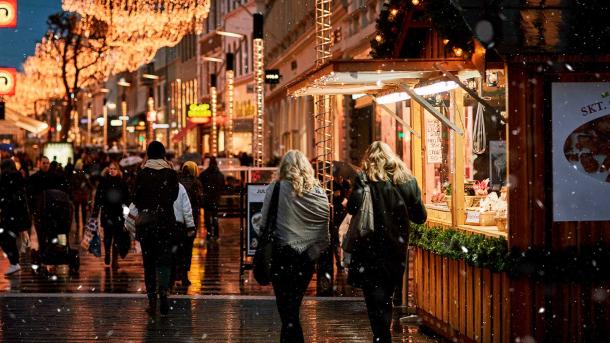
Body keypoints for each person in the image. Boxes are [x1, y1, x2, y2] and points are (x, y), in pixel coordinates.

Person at [346, 141, 427, 343]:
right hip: (395, 248)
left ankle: (380, 335)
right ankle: (383, 335)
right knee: (387, 296)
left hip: (368, 247)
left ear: (370, 159)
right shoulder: (406, 180)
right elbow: (420, 216)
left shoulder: (364, 179)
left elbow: (352, 208)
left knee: (373, 298)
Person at [260, 150, 330, 343]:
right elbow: (324, 229)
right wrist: (311, 252)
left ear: (283, 167)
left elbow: (264, 222)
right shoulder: (318, 192)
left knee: (286, 309)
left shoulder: (275, 188)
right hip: (306, 259)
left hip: (281, 255)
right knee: (293, 306)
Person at [134, 141, 179, 316]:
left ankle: (152, 302)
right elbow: (174, 196)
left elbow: (135, 198)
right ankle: (164, 293)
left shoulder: (142, 173)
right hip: (166, 223)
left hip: (147, 224)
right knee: (165, 260)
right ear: (163, 154)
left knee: (149, 263)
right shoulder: (170, 173)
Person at [92, 161, 130, 268]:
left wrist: (127, 210)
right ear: (108, 170)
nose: (112, 171)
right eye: (111, 169)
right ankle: (108, 253)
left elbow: (127, 198)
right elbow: (98, 197)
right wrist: (96, 210)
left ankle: (115, 259)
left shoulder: (122, 183)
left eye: (114, 169)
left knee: (117, 237)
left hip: (118, 213)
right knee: (108, 236)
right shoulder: (104, 182)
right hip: (107, 212)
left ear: (118, 171)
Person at [0, 159, 31, 276]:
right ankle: (14, 262)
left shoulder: (5, 178)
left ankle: (14, 263)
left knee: (5, 238)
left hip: (9, 214)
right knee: (10, 238)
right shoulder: (19, 178)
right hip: (18, 215)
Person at [177, 161, 203, 286]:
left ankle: (176, 271)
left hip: (178, 219)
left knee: (178, 246)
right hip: (191, 219)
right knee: (188, 248)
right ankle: (184, 274)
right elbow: (200, 200)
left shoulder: (177, 182)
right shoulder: (196, 183)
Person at [171, 183, 196, 288]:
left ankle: (170, 278)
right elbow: (187, 208)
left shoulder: (159, 184)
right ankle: (184, 276)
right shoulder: (179, 187)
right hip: (179, 224)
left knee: (169, 253)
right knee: (183, 252)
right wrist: (190, 225)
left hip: (165, 224)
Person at [199, 157, 225, 240]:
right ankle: (216, 235)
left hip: (206, 199)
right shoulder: (220, 175)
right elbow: (222, 187)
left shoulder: (203, 174)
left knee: (207, 218)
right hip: (216, 199)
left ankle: (209, 234)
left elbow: (200, 186)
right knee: (215, 217)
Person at [70, 160, 93, 237]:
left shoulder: (73, 174)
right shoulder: (83, 173)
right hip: (83, 195)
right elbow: (89, 184)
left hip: (77, 195)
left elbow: (72, 184)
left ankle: (77, 225)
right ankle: (83, 224)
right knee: (83, 210)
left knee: (76, 210)